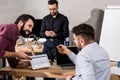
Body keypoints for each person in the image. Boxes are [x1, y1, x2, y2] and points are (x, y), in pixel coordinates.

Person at [40, 0, 69, 80]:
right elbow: (41, 33)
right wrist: (45, 34)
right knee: (45, 67)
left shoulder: (64, 18)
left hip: (58, 44)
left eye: (54, 9)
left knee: (57, 68)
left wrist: (56, 34)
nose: (52, 11)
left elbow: (66, 33)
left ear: (57, 7)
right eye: (50, 9)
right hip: (47, 44)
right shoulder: (45, 19)